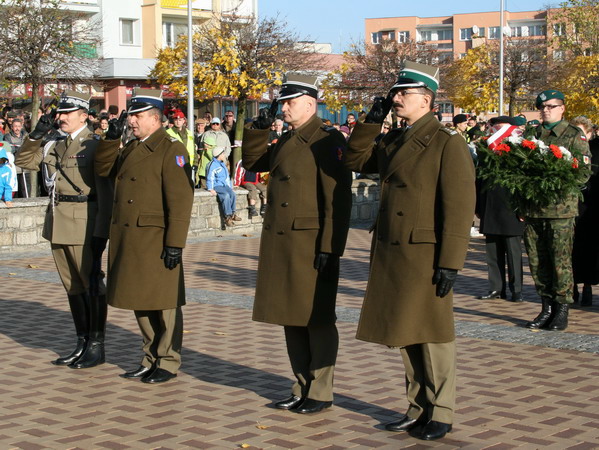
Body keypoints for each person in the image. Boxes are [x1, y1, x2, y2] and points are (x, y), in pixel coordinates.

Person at [346, 61, 475, 441]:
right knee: (405, 333)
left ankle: (443, 411)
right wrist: (369, 122)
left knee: (432, 335)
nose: (395, 98)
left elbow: (458, 205)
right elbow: (354, 161)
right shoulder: (394, 139)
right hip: (394, 251)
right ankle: (418, 407)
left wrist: (451, 261)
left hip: (425, 251)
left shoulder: (446, 142)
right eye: (394, 93)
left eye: (403, 93)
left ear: (427, 100)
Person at [242, 73, 352, 414]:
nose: (283, 107)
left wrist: (330, 247)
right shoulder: (288, 139)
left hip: (311, 243)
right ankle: (301, 383)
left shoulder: (326, 139)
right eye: (281, 102)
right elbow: (252, 163)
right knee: (291, 315)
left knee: (316, 318)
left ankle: (320, 390)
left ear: (310, 103)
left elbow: (338, 198)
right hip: (285, 241)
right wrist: (258, 130)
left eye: (290, 102)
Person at [94, 88, 194, 383]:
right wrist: (111, 139)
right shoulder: (130, 147)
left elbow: (180, 199)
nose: (132, 122)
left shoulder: (171, 148)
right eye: (131, 117)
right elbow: (103, 169)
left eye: (137, 117)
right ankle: (150, 355)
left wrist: (175, 243)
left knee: (163, 303)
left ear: (154, 118)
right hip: (131, 236)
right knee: (140, 298)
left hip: (156, 238)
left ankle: (168, 360)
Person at [15, 91, 113, 368]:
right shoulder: (53, 145)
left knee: (91, 284)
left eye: (68, 113)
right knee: (72, 287)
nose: (62, 117)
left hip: (84, 223)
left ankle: (96, 345)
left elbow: (105, 192)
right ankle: (81, 341)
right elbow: (24, 162)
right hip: (58, 221)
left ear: (84, 116)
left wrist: (101, 232)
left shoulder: (94, 146)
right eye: (60, 112)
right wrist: (35, 135)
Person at [523, 90, 591, 331]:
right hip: (534, 210)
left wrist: (557, 180)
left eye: (551, 106)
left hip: (560, 210)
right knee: (537, 260)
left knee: (560, 261)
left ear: (562, 108)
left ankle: (561, 309)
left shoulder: (574, 136)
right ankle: (546, 307)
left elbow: (583, 173)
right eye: (542, 107)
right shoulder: (531, 134)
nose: (546, 110)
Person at [476, 116, 525, 302]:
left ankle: (517, 289)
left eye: (501, 129)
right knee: (492, 253)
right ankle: (496, 288)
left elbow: (522, 182)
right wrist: (478, 206)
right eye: (495, 128)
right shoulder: (485, 149)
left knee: (513, 253)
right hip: (490, 207)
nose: (496, 133)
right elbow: (479, 179)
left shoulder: (518, 150)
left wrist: (523, 208)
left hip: (511, 209)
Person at [570, 116, 598, 307]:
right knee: (570, 249)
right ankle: (571, 287)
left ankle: (588, 285)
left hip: (593, 207)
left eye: (583, 132)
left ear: (589, 133)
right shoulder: (568, 150)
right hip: (572, 206)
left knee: (590, 249)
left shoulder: (596, 148)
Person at [166, 109, 196, 182]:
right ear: (173, 121)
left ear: (183, 121)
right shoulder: (168, 133)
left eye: (180, 120)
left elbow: (193, 150)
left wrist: (195, 163)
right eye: (176, 119)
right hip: (174, 166)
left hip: (188, 164)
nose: (178, 122)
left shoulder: (189, 133)